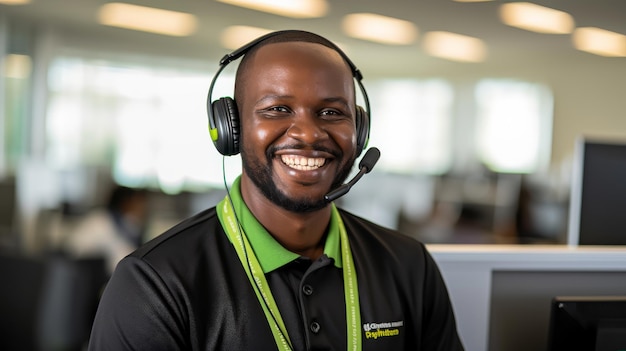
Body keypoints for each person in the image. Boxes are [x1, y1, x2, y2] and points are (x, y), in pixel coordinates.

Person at [88, 30, 464, 350]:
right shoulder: (155, 283)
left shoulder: (409, 265)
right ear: (230, 128)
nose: (309, 134)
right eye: (277, 109)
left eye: (332, 112)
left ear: (360, 131)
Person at [63, 185, 149, 274]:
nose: (142, 207)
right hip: (85, 269)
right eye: (137, 202)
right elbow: (121, 255)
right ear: (125, 202)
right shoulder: (102, 220)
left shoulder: (127, 222)